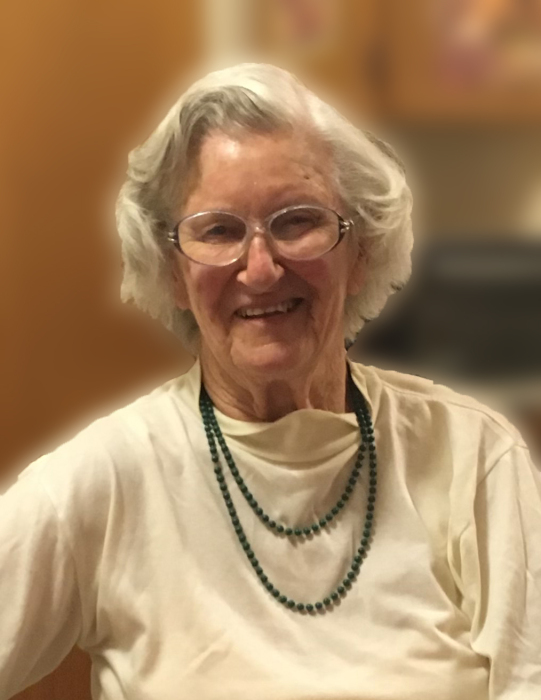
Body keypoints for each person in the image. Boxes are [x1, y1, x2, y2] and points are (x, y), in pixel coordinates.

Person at [1, 63, 540, 700]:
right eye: (218, 231)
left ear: (361, 250)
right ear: (172, 272)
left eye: (296, 222)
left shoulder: (475, 456)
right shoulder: (108, 478)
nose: (260, 270)